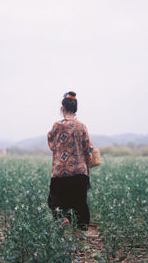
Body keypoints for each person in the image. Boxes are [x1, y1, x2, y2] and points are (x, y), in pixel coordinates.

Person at [47, 91, 93, 230]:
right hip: (79, 174)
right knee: (80, 205)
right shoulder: (82, 126)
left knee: (55, 203)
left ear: (63, 109)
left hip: (60, 173)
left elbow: (52, 145)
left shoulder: (56, 126)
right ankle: (80, 236)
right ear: (75, 109)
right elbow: (88, 149)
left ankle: (63, 219)